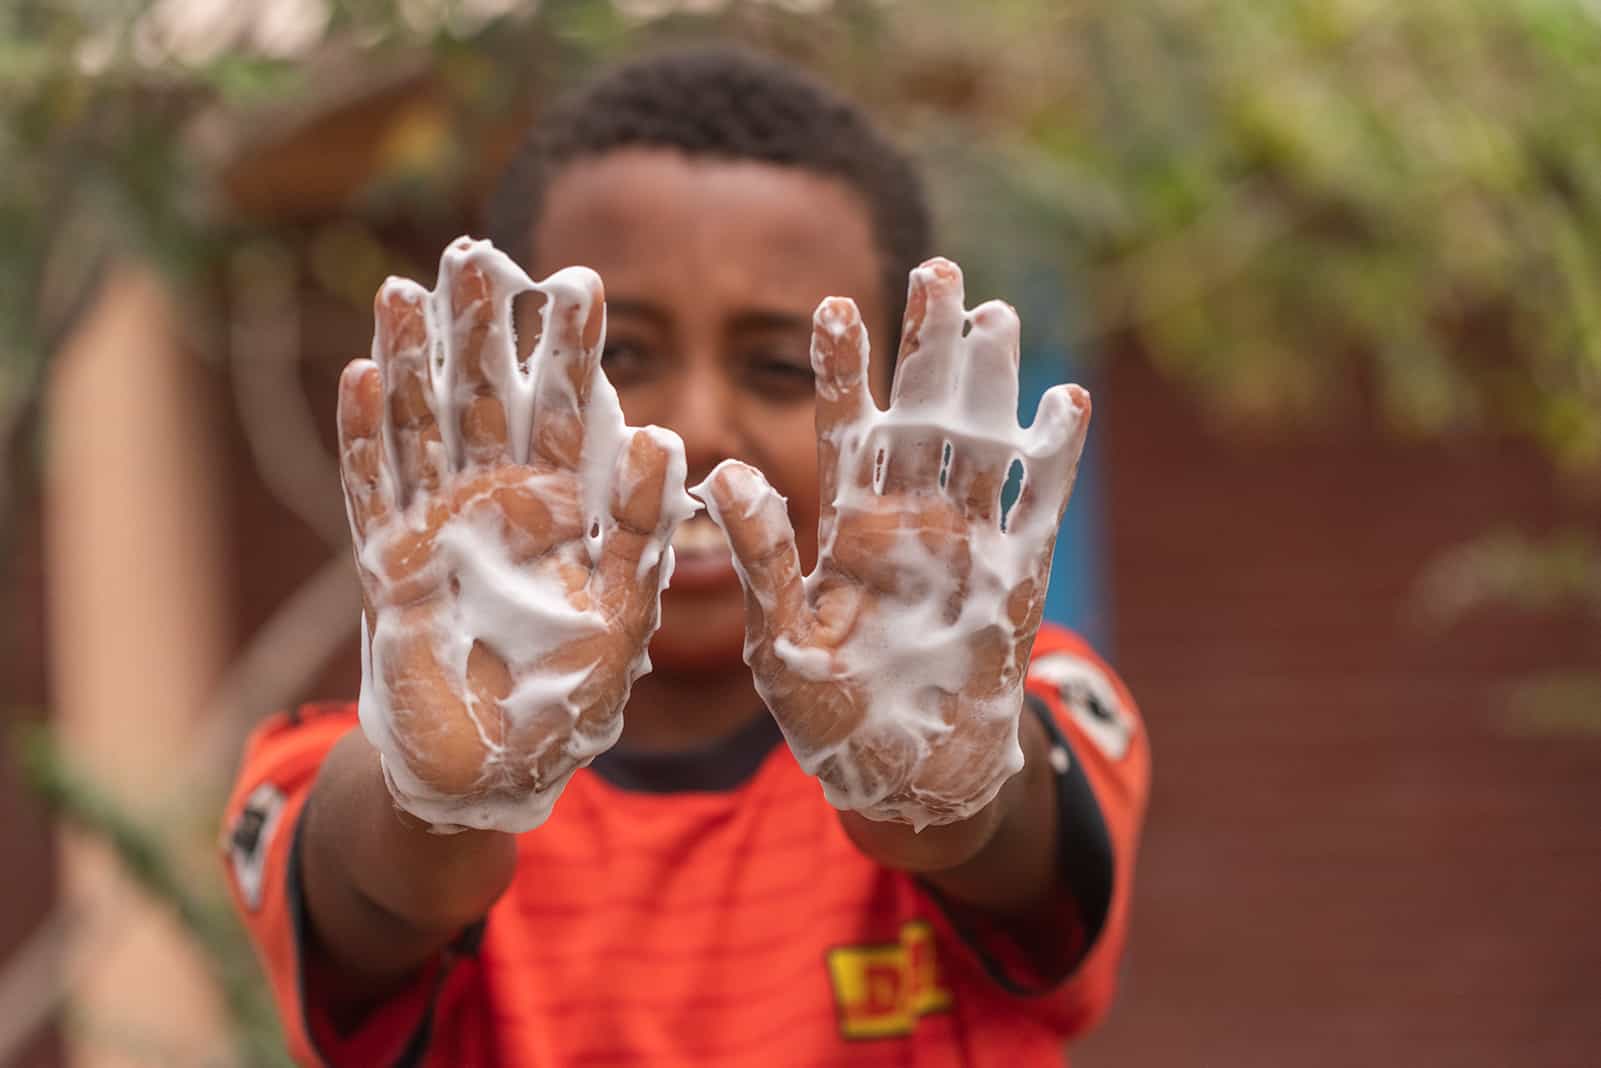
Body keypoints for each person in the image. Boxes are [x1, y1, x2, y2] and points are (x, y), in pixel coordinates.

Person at [221, 45, 1149, 1067]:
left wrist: (940, 790)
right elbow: (387, 887)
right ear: (514, 383)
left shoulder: (1016, 706)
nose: (698, 427)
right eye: (618, 357)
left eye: (778, 367)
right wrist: (441, 800)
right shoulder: (349, 763)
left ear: (890, 402)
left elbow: (983, 842)